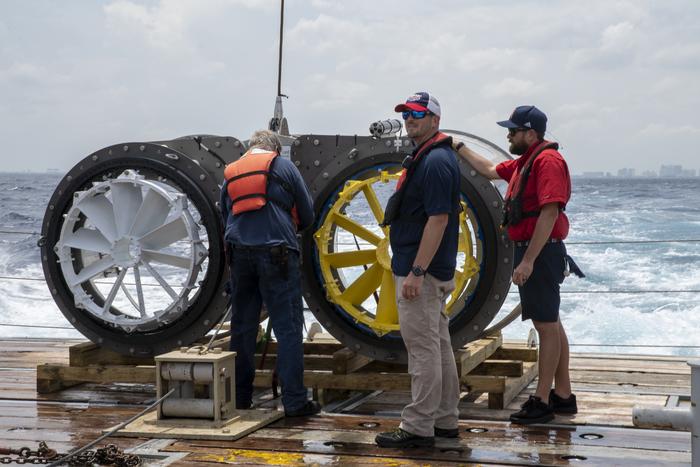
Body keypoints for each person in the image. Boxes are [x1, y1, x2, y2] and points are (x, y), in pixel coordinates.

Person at [452, 105, 581, 424]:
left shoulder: (548, 161)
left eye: (514, 130)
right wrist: (457, 146)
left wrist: (527, 262)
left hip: (541, 251)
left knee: (545, 327)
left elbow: (549, 213)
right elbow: (490, 170)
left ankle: (541, 402)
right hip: (541, 251)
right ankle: (563, 395)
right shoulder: (528, 161)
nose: (508, 134)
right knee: (551, 322)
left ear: (532, 134)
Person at [375, 92, 462, 448]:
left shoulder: (435, 162)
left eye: (417, 114)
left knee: (422, 349)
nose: (410, 119)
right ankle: (444, 420)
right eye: (407, 113)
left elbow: (438, 219)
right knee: (438, 346)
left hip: (421, 273)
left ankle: (417, 427)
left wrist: (417, 271)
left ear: (435, 120)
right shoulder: (433, 157)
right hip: (428, 269)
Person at [220, 129, 320, 417]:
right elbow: (308, 213)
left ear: (250, 149)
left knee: (242, 328)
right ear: (274, 149)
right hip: (277, 253)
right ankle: (294, 402)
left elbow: (226, 213)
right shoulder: (284, 166)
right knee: (288, 328)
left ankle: (240, 398)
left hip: (239, 254)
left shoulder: (232, 171)